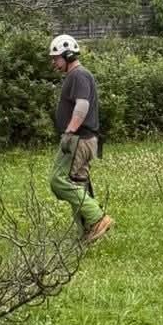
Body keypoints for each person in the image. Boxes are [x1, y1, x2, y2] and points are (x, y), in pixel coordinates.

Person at [48, 33, 114, 245]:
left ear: (67, 55)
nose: (53, 62)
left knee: (59, 181)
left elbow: (82, 105)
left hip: (78, 138)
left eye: (56, 58)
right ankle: (89, 231)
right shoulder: (77, 76)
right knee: (78, 183)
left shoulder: (78, 75)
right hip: (84, 138)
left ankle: (98, 218)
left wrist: (69, 132)